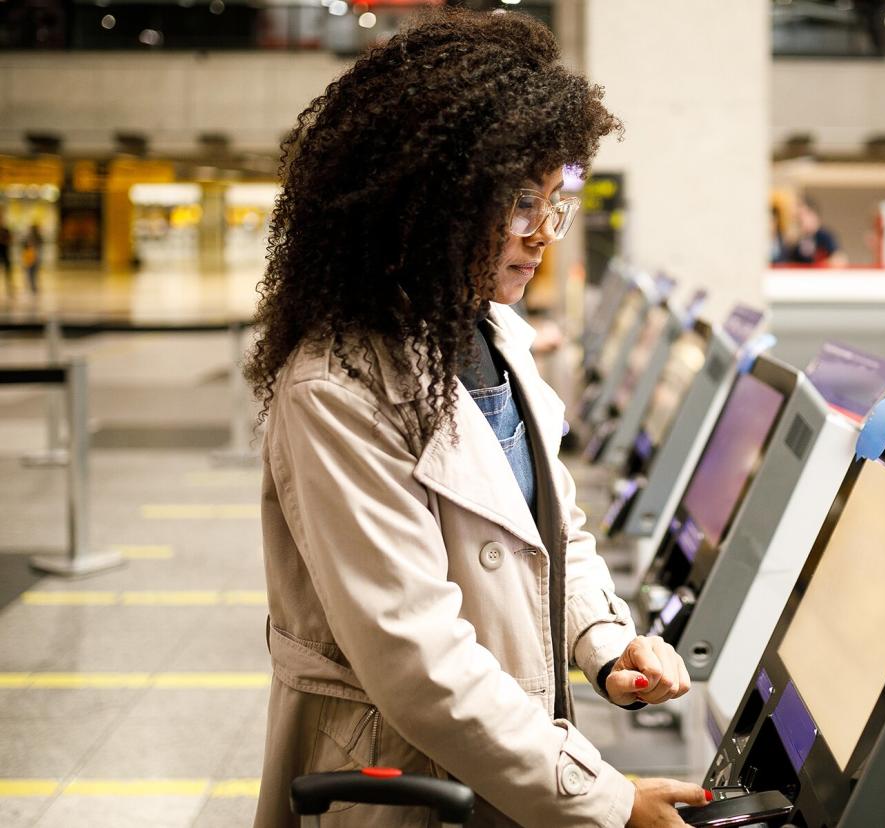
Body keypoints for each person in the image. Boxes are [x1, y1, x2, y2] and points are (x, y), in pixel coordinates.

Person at [244, 10, 709, 828]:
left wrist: (604, 645)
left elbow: (550, 534)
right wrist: (607, 801)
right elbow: (419, 665)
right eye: (517, 204)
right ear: (427, 202)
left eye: (552, 203)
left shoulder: (491, 335)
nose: (541, 238)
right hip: (397, 784)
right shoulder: (335, 387)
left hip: (501, 761)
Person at [785, 197, 845, 267]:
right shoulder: (800, 240)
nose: (800, 220)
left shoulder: (824, 236)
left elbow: (839, 259)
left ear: (813, 215)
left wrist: (817, 267)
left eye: (803, 215)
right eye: (798, 217)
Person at [21, 225, 42, 294]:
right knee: (30, 273)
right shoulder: (29, 237)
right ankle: (31, 286)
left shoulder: (37, 236)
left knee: (32, 273)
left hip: (34, 257)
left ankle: (33, 286)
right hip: (30, 257)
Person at [0, 225, 12, 297]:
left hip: (5, 255)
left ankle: (9, 288)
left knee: (8, 273)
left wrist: (4, 241)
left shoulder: (5, 230)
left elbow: (10, 239)